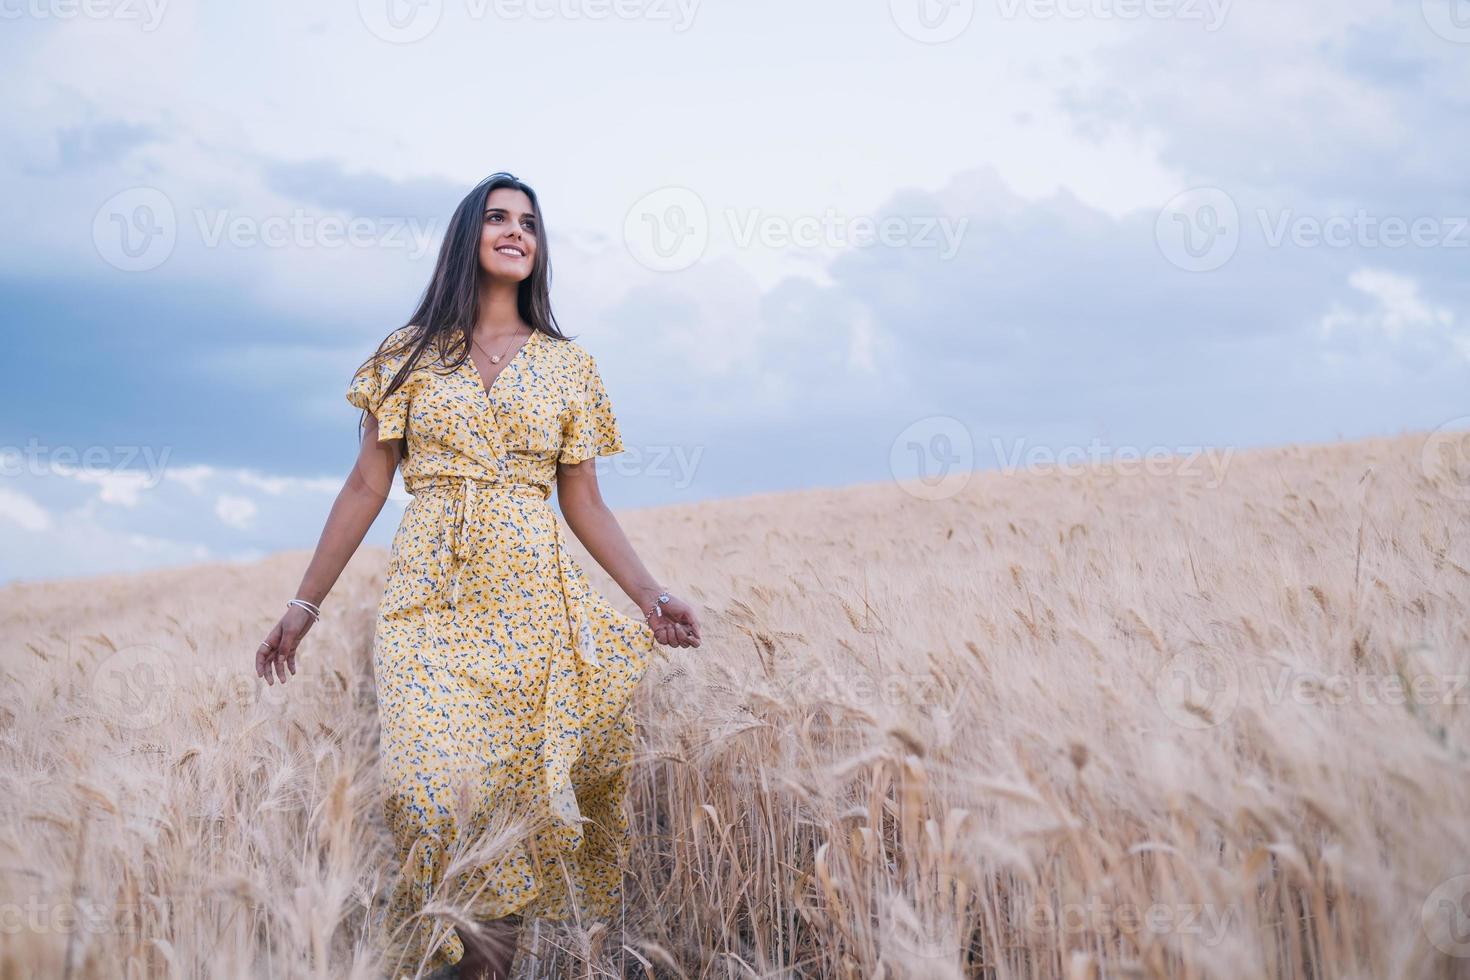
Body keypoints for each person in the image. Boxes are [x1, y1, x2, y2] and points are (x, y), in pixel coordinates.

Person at [252, 171, 702, 979]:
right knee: (426, 798)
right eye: (498, 218)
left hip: (533, 604)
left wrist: (650, 593)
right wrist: (303, 605)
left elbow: (585, 500)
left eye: (529, 222)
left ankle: (482, 970)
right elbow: (365, 486)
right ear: (469, 237)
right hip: (429, 603)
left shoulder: (570, 366)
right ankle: (432, 953)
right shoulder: (406, 356)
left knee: (506, 809)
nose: (516, 231)